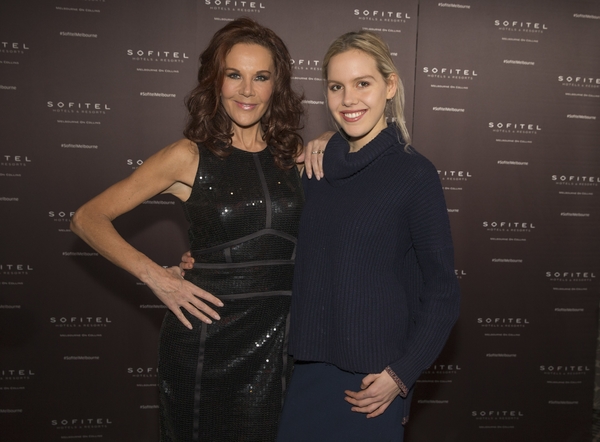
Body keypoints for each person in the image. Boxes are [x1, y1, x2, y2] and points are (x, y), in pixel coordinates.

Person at [71, 17, 328, 442]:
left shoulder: (295, 154)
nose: (247, 90)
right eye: (234, 75)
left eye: (260, 77)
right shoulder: (187, 155)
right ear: (215, 81)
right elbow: (86, 218)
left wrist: (330, 141)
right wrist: (157, 277)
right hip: (208, 340)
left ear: (275, 86)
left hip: (284, 342)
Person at [274, 31, 461, 441]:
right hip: (306, 373)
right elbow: (281, 247)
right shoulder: (315, 170)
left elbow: (442, 291)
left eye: (363, 84)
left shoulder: (414, 174)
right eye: (337, 87)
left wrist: (401, 375)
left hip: (372, 382)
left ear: (389, 86)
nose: (348, 99)